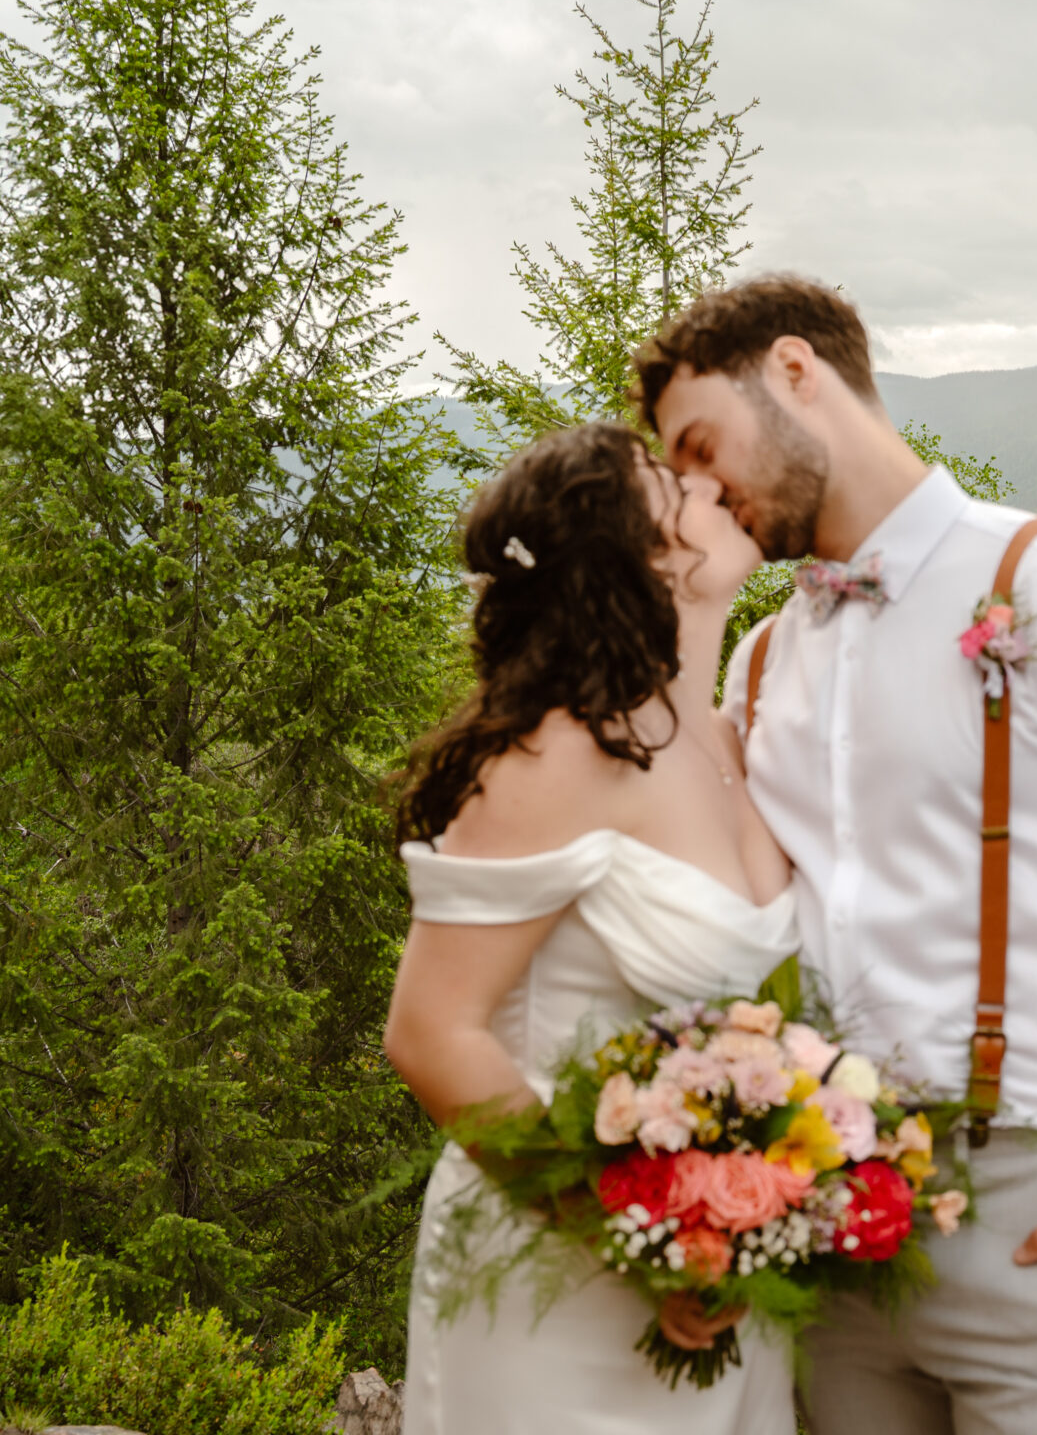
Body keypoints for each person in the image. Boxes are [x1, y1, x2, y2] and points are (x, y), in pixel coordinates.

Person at [637, 275, 1037, 1435]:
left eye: (702, 444)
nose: (700, 489)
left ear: (793, 371)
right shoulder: (764, 659)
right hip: (833, 1242)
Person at [383, 422, 797, 1435]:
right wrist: (636, 1237)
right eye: (679, 489)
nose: (716, 490)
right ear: (641, 556)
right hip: (556, 1276)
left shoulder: (730, 736)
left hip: (725, 1269)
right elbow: (431, 1034)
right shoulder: (557, 752)